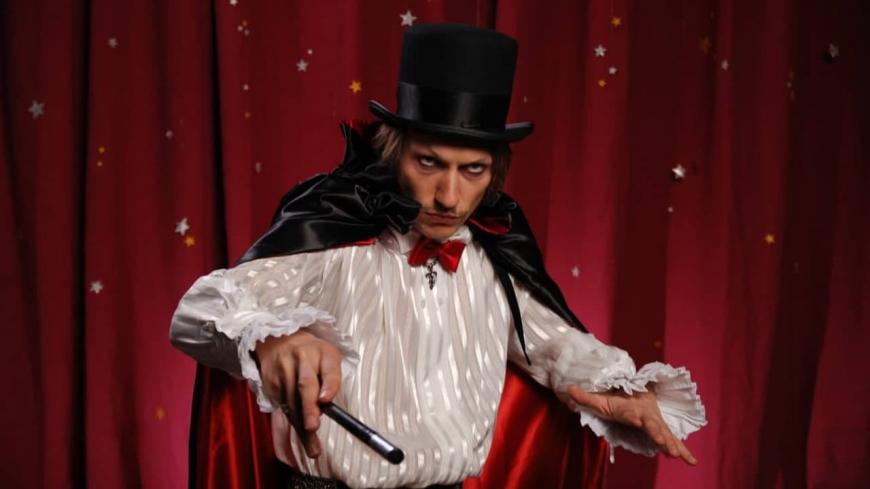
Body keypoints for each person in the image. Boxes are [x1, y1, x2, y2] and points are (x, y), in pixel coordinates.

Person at [169, 23, 706, 489]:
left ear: (493, 174)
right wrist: (273, 338)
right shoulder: (334, 243)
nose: (448, 197)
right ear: (394, 152)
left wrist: (617, 391)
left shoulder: (494, 264)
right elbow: (200, 311)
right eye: (429, 163)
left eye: (472, 170)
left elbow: (556, 345)